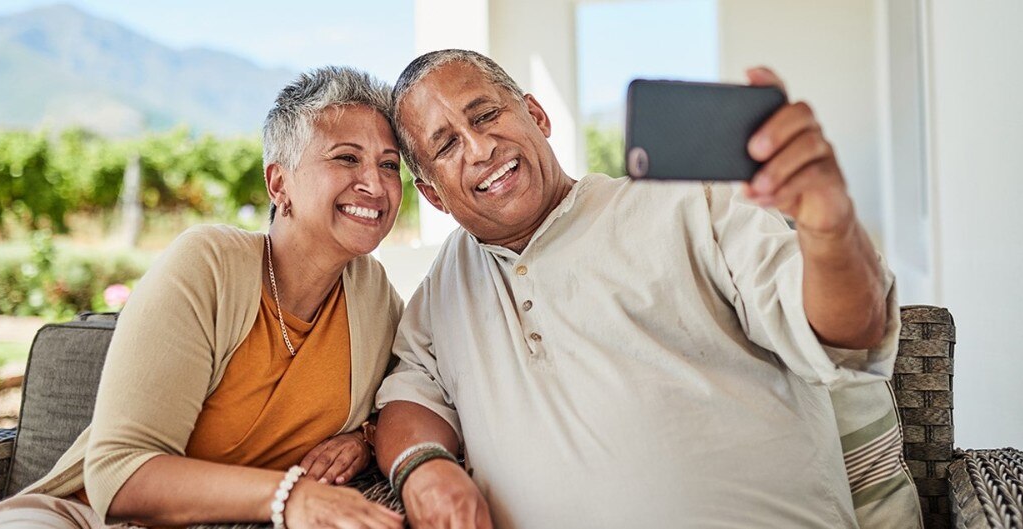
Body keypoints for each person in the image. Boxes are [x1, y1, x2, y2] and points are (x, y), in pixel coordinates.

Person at [373, 49, 912, 528]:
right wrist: (424, 469)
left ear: (536, 116)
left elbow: (847, 332)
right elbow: (407, 396)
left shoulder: (687, 201)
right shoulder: (445, 285)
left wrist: (830, 228)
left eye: (487, 114)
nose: (480, 147)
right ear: (434, 196)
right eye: (446, 146)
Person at [0, 66, 406, 529]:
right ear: (278, 184)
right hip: (83, 518)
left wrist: (364, 440)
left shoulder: (376, 300)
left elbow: (418, 400)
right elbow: (118, 475)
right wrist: (291, 497)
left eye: (389, 164)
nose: (375, 182)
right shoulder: (209, 263)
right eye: (347, 158)